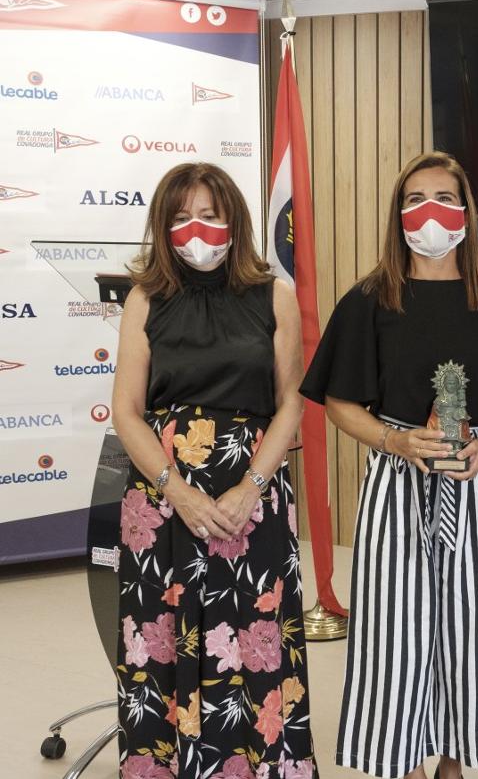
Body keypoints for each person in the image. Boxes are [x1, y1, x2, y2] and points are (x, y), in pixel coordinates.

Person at [301, 151, 478, 779]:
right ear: (397, 213)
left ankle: (454, 762)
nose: (428, 210)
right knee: (393, 630)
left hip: (474, 480)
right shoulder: (370, 300)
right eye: (413, 199)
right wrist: (394, 441)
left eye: (442, 196)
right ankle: (400, 759)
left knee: (470, 626)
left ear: (466, 210)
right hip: (396, 477)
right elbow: (338, 402)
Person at [113, 162, 317, 779]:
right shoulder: (145, 300)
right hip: (162, 500)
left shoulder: (273, 296)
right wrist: (177, 492)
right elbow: (126, 411)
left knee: (251, 643)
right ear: (161, 226)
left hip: (250, 499)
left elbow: (291, 401)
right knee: (162, 641)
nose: (195, 228)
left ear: (235, 220)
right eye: (179, 218)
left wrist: (250, 485)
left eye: (208, 214)